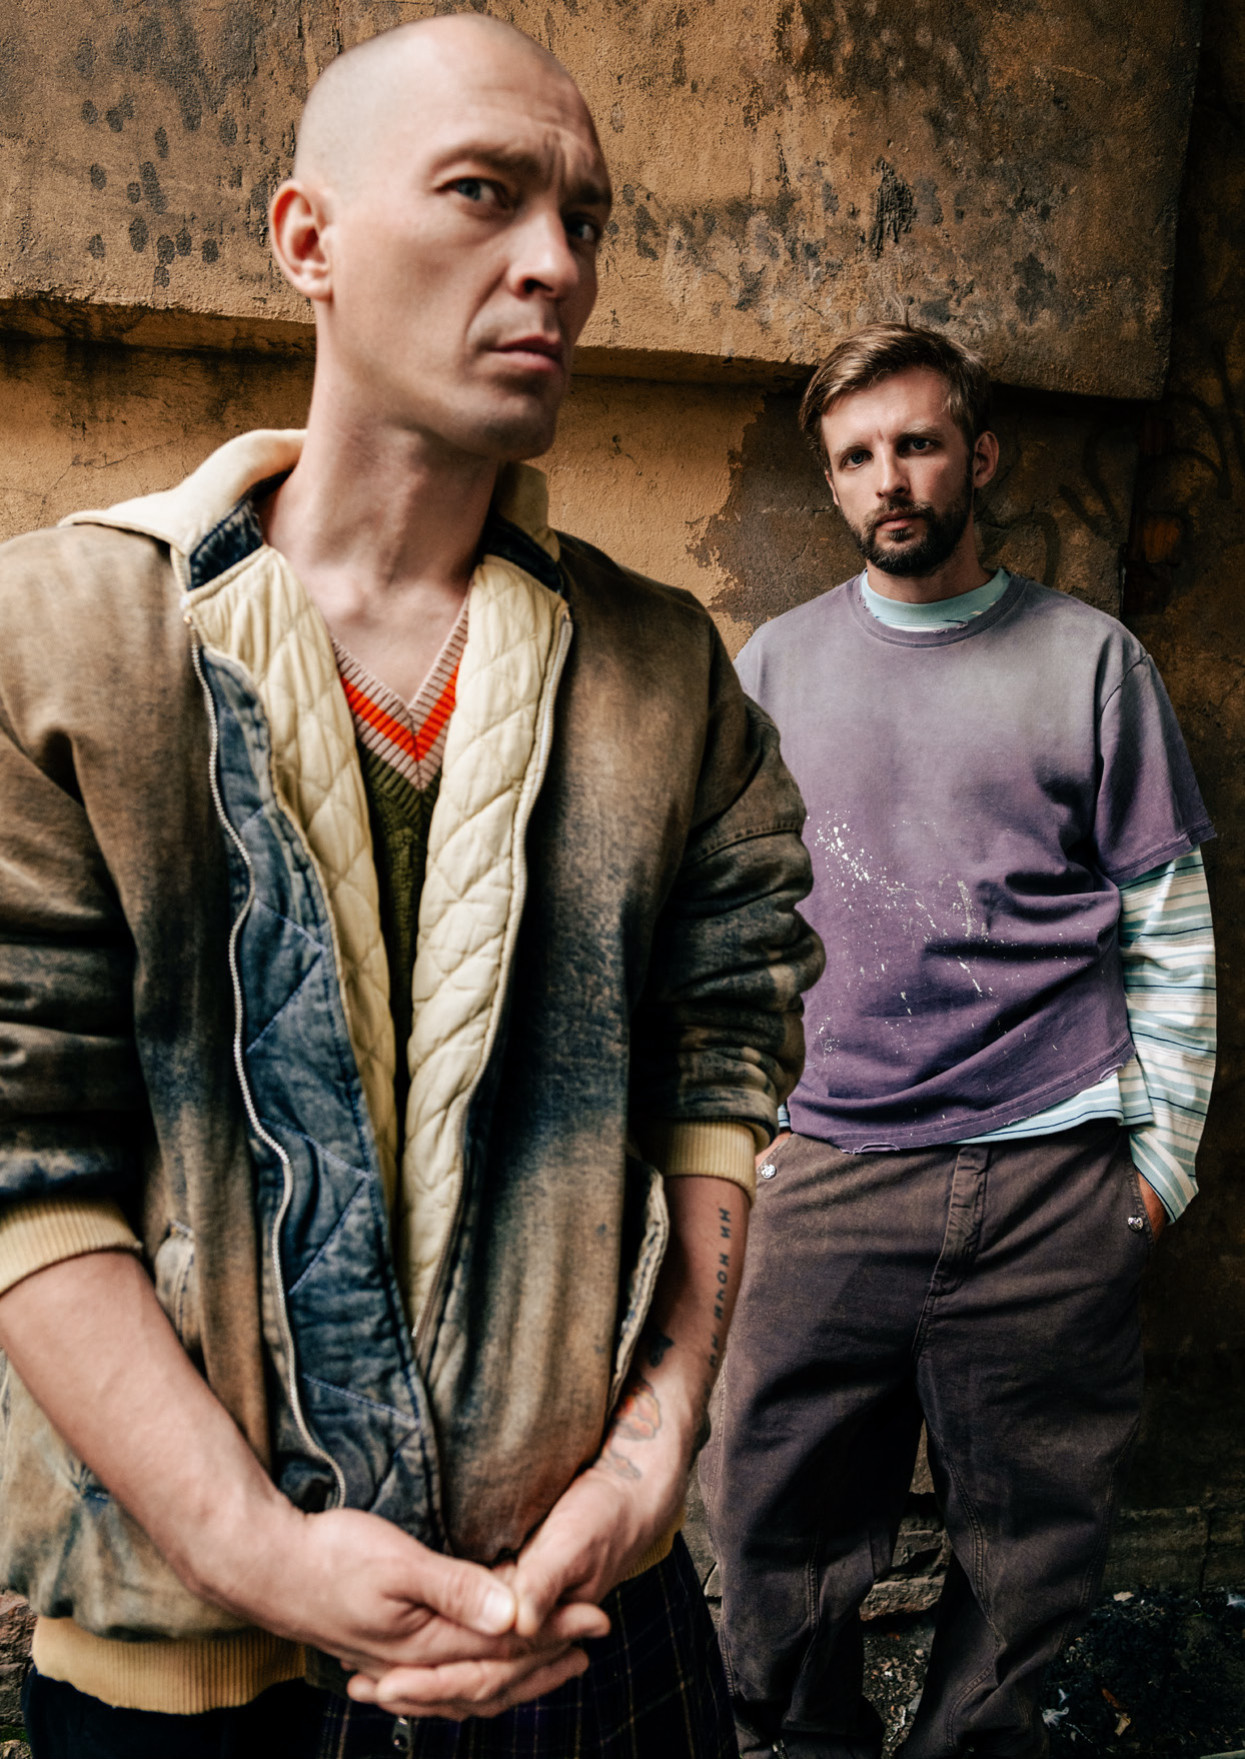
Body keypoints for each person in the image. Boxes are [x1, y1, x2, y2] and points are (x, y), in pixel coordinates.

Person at [0, 16, 822, 1757]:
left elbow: (720, 1068)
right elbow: (23, 1153)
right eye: (483, 193)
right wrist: (259, 1552)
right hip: (191, 1663)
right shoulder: (62, 642)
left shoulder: (661, 673)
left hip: (581, 1617)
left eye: (584, 219)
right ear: (307, 238)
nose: (555, 265)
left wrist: (655, 1448)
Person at [700, 322, 1216, 1759]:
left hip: (1050, 1174)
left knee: (1031, 1558)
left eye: (917, 444)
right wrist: (741, 1144)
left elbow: (1167, 922)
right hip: (825, 1170)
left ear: (977, 456)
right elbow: (725, 923)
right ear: (832, 481)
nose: (891, 479)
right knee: (772, 1534)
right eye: (857, 456)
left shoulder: (1091, 660)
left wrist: (1155, 1170)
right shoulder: (774, 666)